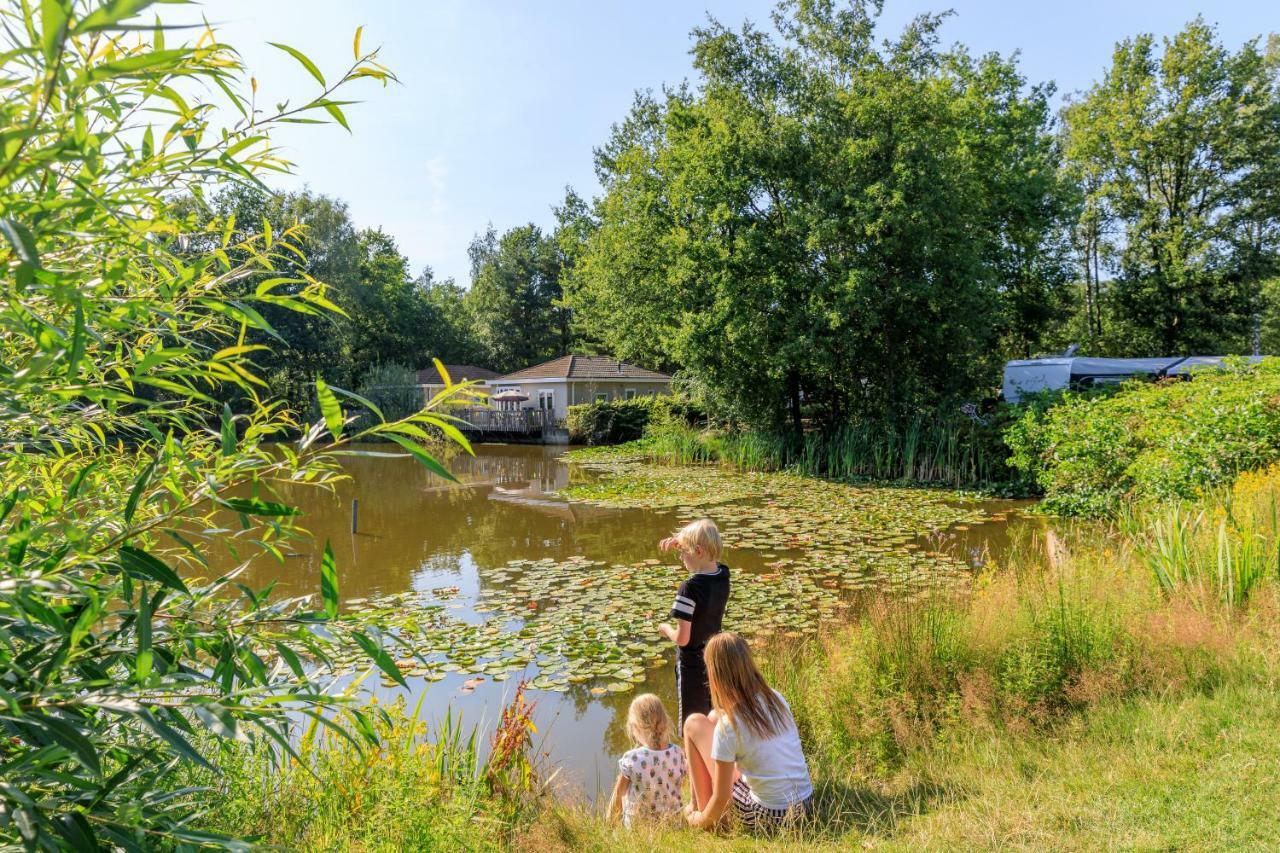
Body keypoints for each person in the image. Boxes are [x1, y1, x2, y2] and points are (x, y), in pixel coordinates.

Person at [683, 632, 813, 833]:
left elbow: (722, 798)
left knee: (692, 724)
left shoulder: (730, 726)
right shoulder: (776, 698)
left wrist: (698, 821)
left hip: (770, 816)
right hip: (804, 805)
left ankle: (703, 813)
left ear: (716, 675)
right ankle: (699, 807)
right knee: (711, 718)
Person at [656, 518, 730, 728]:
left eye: (683, 551)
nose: (680, 555)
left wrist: (666, 629)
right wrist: (681, 540)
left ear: (698, 551)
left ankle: (693, 759)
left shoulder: (689, 588)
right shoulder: (723, 575)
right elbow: (705, 551)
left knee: (692, 723)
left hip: (691, 666)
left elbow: (682, 638)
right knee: (714, 716)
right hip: (714, 658)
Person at [606, 693, 688, 828]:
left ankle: (612, 825)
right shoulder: (678, 752)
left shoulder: (633, 758)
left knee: (624, 793)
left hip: (640, 827)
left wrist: (611, 822)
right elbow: (681, 783)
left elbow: (618, 794)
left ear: (636, 727)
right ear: (665, 721)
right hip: (673, 823)